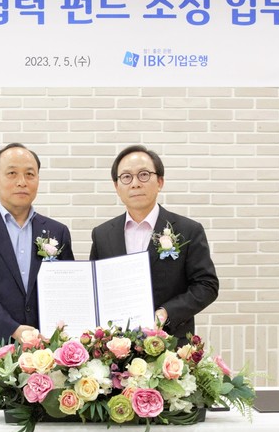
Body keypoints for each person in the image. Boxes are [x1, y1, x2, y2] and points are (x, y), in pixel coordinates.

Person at [0, 143, 74, 383]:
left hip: (46, 353)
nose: (22, 182)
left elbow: (67, 289)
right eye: (12, 173)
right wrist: (14, 329)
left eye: (30, 174)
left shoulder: (57, 232)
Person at [89, 144, 218, 342]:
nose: (135, 184)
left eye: (143, 175)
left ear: (160, 182)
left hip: (171, 345)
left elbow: (207, 285)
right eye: (126, 177)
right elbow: (95, 288)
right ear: (117, 187)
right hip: (116, 346)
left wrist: (166, 313)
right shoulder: (102, 234)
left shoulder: (188, 230)